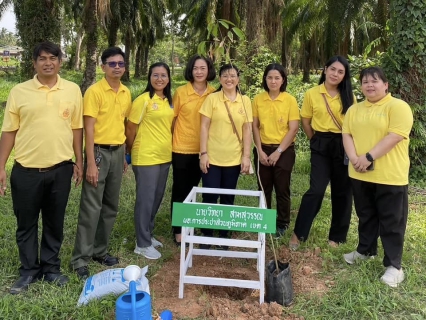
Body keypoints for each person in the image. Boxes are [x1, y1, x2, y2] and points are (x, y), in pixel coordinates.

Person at [0, 41, 83, 293]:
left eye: (53, 58)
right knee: (26, 224)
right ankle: (28, 272)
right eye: (42, 58)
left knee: (54, 222)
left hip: (60, 169)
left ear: (60, 61)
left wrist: (79, 161)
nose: (48, 62)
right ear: (34, 63)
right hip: (26, 171)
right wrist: (1, 166)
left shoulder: (72, 90)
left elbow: (76, 128)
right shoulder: (19, 91)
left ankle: (51, 268)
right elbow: (9, 131)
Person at [342, 67, 413, 287]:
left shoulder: (398, 107)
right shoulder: (354, 109)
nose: (369, 85)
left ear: (385, 85)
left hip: (390, 175)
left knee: (392, 221)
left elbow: (395, 136)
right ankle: (365, 250)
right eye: (365, 82)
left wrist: (369, 157)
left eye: (374, 81)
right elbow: (347, 134)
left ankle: (394, 266)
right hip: (359, 173)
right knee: (365, 215)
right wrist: (355, 158)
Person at [71, 47, 131, 279]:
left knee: (110, 206)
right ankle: (80, 260)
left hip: (117, 152)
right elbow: (89, 128)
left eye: (121, 63)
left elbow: (123, 123)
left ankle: (99, 250)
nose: (117, 67)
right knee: (91, 207)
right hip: (98, 152)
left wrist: (124, 155)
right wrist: (91, 164)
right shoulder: (95, 92)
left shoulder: (126, 92)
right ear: (103, 66)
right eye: (112, 63)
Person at [289, 55, 355, 250]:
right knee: (316, 190)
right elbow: (306, 121)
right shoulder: (312, 93)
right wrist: (315, 140)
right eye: (333, 69)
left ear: (344, 76)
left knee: (342, 192)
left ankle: (337, 237)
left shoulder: (349, 95)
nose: (336, 74)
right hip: (320, 143)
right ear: (325, 70)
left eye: (340, 72)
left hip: (343, 144)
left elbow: (352, 124)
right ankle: (299, 233)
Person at [199, 64, 253, 249]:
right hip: (212, 158)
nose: (228, 79)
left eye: (232, 76)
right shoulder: (212, 99)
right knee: (210, 196)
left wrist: (246, 156)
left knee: (228, 197)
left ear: (238, 79)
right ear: (220, 79)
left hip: (234, 158)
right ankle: (207, 234)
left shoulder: (245, 101)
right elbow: (204, 126)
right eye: (225, 76)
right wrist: (203, 154)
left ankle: (224, 234)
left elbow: (247, 130)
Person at [125, 62, 174, 260]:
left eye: (163, 75)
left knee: (156, 198)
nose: (159, 78)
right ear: (149, 77)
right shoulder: (143, 100)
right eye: (155, 75)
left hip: (165, 156)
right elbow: (130, 128)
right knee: (145, 200)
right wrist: (130, 149)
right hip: (145, 157)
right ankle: (142, 244)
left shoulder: (169, 101)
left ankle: (148, 234)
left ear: (169, 78)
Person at [170, 55, 216, 246]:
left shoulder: (214, 93)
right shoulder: (181, 92)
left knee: (197, 189)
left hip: (204, 150)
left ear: (208, 71)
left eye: (203, 68)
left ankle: (194, 222)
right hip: (181, 148)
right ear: (191, 70)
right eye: (195, 68)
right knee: (181, 189)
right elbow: (172, 119)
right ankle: (179, 230)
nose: (199, 72)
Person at [252, 63, 300, 238]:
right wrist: (259, 150)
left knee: (282, 188)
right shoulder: (258, 99)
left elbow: (293, 128)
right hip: (262, 148)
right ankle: (264, 221)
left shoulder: (290, 100)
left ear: (283, 80)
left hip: (284, 150)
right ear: (265, 79)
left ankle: (282, 223)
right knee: (263, 188)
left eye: (277, 78)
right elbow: (255, 126)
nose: (273, 81)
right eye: (270, 77)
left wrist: (278, 151)